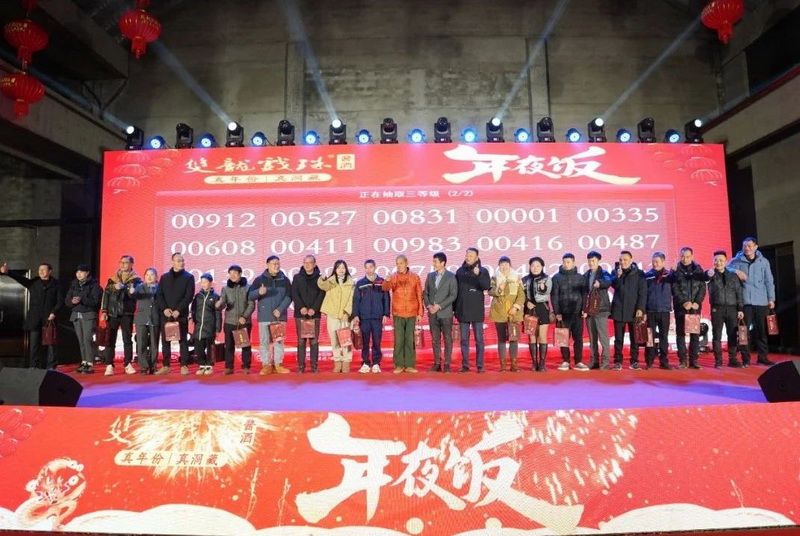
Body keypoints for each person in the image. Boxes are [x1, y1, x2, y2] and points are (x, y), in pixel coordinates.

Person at [0, 261, 63, 369]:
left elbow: (60, 301)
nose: (41, 271)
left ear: (50, 271)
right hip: (34, 318)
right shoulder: (34, 282)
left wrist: (54, 312)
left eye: (43, 270)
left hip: (49, 318)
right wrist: (8, 272)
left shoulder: (56, 284)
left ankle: (51, 366)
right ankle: (33, 366)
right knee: (34, 344)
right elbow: (21, 279)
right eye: (39, 270)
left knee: (51, 344)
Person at [728, 237, 776, 366]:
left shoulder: (763, 262)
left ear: (756, 247)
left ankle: (763, 357)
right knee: (743, 332)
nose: (747, 248)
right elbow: (725, 269)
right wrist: (736, 270)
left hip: (761, 301)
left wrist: (771, 299)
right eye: (744, 246)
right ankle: (746, 359)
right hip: (745, 302)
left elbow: (769, 281)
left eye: (749, 246)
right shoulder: (736, 260)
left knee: (761, 331)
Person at [249, 255, 292, 375]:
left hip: (279, 316)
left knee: (279, 341)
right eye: (274, 264)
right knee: (264, 342)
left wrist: (280, 309)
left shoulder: (285, 280)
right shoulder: (259, 280)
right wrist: (259, 292)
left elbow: (289, 296)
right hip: (264, 316)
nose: (276, 266)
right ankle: (266, 365)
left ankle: (278, 364)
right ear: (267, 265)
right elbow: (250, 296)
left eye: (278, 264)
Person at [100, 255, 142, 375]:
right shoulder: (112, 279)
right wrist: (104, 311)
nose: (122, 265)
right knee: (110, 339)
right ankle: (109, 364)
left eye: (125, 262)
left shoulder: (136, 280)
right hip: (112, 313)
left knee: (127, 339)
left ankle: (127, 364)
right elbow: (106, 295)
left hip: (127, 313)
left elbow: (136, 296)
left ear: (131, 264)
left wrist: (131, 292)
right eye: (121, 262)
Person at [155, 253, 195, 375]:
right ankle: (166, 366)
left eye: (182, 260)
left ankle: (184, 365)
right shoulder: (164, 277)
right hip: (166, 314)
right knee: (165, 341)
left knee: (182, 340)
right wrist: (164, 309)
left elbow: (189, 296)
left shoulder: (189, 277)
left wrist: (179, 310)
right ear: (172, 262)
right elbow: (159, 295)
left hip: (180, 314)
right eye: (178, 261)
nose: (181, 263)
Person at [382, 254, 424, 373]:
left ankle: (410, 365)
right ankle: (398, 365)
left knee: (410, 340)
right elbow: (385, 288)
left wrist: (420, 313)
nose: (399, 265)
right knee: (399, 340)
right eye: (397, 263)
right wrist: (387, 281)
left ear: (406, 263)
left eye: (401, 263)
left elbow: (419, 295)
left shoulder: (415, 277)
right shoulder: (393, 277)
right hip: (398, 313)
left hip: (411, 313)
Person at [454, 248, 491, 373]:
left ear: (476, 257)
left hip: (477, 310)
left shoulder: (483, 271)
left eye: (471, 255)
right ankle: (465, 365)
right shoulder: (460, 271)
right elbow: (456, 292)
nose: (468, 257)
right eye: (467, 255)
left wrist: (478, 274)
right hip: (463, 309)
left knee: (479, 340)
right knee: (464, 340)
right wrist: (455, 309)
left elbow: (486, 286)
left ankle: (480, 365)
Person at [707, 251, 745, 368]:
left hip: (732, 308)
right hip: (717, 309)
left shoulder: (733, 275)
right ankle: (718, 361)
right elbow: (705, 277)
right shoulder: (711, 275)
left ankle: (732, 359)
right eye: (716, 260)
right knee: (716, 335)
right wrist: (708, 274)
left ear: (726, 261)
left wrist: (740, 309)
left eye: (721, 260)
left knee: (732, 335)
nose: (718, 262)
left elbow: (739, 292)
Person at [611, 251, 647, 371]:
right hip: (618, 310)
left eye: (625, 259)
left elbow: (643, 293)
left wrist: (641, 309)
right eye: (621, 260)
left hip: (634, 310)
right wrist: (618, 277)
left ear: (631, 260)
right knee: (618, 339)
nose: (623, 262)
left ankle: (634, 361)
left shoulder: (640, 274)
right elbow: (615, 286)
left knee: (635, 338)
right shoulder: (615, 272)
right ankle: (618, 361)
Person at [551, 253, 589, 371]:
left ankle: (578, 361)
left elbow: (585, 295)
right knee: (563, 338)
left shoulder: (581, 278)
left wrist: (584, 309)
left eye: (568, 262)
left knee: (578, 338)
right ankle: (565, 361)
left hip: (577, 313)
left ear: (573, 262)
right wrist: (557, 312)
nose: (566, 264)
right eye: (564, 262)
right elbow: (554, 296)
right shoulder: (556, 278)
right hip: (563, 314)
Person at [352, 259, 391, 374]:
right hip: (364, 318)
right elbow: (356, 300)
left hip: (377, 317)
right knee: (364, 342)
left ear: (375, 267)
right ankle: (365, 363)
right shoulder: (360, 283)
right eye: (366, 267)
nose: (369, 269)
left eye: (371, 267)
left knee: (377, 342)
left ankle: (376, 363)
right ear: (364, 269)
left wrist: (386, 314)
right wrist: (356, 315)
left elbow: (386, 299)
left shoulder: (382, 282)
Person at [672, 247, 707, 369]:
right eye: (682, 256)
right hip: (681, 306)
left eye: (687, 256)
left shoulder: (698, 270)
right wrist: (683, 302)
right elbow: (674, 288)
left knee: (694, 334)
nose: (685, 259)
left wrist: (697, 302)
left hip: (695, 307)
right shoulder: (676, 270)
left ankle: (693, 360)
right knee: (680, 333)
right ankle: (682, 360)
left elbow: (702, 288)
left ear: (692, 256)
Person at [489, 256, 525, 372]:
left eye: (506, 264)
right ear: (498, 266)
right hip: (499, 312)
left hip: (514, 313)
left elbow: (521, 295)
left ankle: (514, 364)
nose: (504, 267)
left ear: (510, 265)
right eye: (502, 264)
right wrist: (499, 288)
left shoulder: (516, 278)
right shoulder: (494, 278)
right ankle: (503, 365)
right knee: (501, 339)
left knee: (513, 338)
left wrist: (516, 307)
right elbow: (490, 291)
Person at [319, 260, 356, 373]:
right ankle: (337, 361)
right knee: (334, 340)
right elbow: (323, 286)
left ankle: (346, 362)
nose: (341, 270)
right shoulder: (330, 281)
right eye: (338, 267)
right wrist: (323, 278)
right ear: (335, 269)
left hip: (345, 316)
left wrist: (347, 312)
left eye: (343, 268)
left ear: (346, 269)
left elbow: (352, 299)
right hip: (333, 315)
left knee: (345, 340)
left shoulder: (351, 282)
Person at [422, 252, 457, 373]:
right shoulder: (430, 276)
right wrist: (428, 306)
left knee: (448, 339)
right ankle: (437, 363)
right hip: (432, 313)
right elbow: (425, 293)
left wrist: (439, 306)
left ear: (443, 263)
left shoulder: (451, 276)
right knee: (435, 339)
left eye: (435, 262)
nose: (433, 264)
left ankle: (447, 364)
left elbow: (453, 295)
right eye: (433, 261)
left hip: (445, 313)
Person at [217, 265, 255, 375]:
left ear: (240, 274)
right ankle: (229, 367)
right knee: (229, 345)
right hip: (229, 321)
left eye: (235, 273)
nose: (232, 275)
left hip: (244, 322)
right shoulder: (225, 288)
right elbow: (223, 304)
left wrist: (244, 317)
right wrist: (219, 305)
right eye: (230, 273)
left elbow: (251, 304)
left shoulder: (248, 287)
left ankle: (246, 366)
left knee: (245, 345)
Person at [65, 264, 102, 374]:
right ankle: (84, 361)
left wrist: (81, 299)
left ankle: (90, 363)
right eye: (77, 272)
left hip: (88, 315)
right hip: (76, 315)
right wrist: (72, 301)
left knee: (87, 339)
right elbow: (67, 300)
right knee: (81, 340)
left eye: (81, 272)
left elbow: (96, 302)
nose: (79, 274)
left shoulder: (94, 285)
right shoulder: (74, 284)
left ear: (87, 273)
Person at [291, 255, 325, 374]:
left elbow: (321, 294)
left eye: (310, 262)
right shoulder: (297, 277)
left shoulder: (320, 278)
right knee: (301, 341)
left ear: (314, 264)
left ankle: (314, 366)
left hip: (314, 314)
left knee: (314, 341)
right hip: (300, 313)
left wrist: (314, 309)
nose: (307, 265)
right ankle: (301, 366)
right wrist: (302, 307)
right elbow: (294, 293)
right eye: (305, 262)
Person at [644, 252, 675, 370]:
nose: (655, 264)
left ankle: (664, 362)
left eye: (657, 262)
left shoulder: (669, 275)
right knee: (650, 338)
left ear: (663, 262)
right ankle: (649, 361)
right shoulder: (647, 276)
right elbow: (644, 294)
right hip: (651, 311)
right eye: (653, 261)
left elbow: (676, 282)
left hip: (664, 311)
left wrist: (675, 272)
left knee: (664, 337)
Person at [582, 251, 612, 370]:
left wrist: (600, 283)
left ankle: (605, 362)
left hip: (601, 310)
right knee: (592, 338)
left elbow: (608, 281)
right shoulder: (586, 275)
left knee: (603, 338)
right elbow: (584, 293)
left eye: (593, 260)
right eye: (589, 260)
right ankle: (594, 361)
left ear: (598, 261)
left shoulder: (604, 273)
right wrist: (584, 309)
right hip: (589, 310)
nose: (591, 263)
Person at [522, 256, 552, 372]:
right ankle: (534, 363)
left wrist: (543, 287)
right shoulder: (525, 279)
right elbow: (521, 294)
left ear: (542, 267)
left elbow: (547, 291)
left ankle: (542, 363)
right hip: (529, 308)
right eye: (533, 266)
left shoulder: (547, 278)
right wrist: (526, 302)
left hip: (542, 308)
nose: (535, 268)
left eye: (538, 266)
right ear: (530, 267)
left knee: (542, 335)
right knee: (532, 336)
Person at [191, 273, 222, 375]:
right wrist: (193, 318)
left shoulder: (215, 296)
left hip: (210, 326)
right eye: (202, 282)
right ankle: (201, 365)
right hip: (199, 327)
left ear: (211, 283)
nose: (203, 284)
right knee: (198, 347)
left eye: (206, 282)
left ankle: (209, 366)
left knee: (209, 347)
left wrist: (217, 329)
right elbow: (193, 309)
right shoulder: (198, 296)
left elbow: (218, 314)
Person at [131, 268, 160, 375]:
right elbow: (134, 295)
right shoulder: (140, 287)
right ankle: (144, 366)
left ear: (156, 277)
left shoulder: (160, 288)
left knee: (154, 343)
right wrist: (131, 292)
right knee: (141, 343)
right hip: (141, 317)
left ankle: (153, 366)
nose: (149, 277)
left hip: (155, 317)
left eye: (152, 275)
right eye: (147, 275)